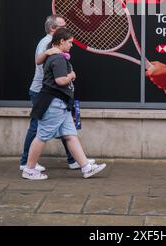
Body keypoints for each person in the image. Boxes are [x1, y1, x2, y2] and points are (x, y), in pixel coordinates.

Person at [22, 28, 106, 180]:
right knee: (42, 136)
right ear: (61, 42)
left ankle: (86, 167)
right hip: (54, 104)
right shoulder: (58, 58)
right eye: (70, 42)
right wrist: (71, 76)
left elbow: (40, 62)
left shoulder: (55, 56)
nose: (71, 45)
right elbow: (60, 81)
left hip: (60, 104)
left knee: (70, 135)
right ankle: (29, 169)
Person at [20, 14, 87, 171]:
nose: (66, 29)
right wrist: (68, 76)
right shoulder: (47, 44)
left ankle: (77, 161)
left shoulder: (56, 48)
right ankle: (26, 164)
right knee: (38, 129)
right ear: (52, 29)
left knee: (67, 130)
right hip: (45, 94)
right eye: (62, 27)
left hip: (56, 96)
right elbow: (41, 64)